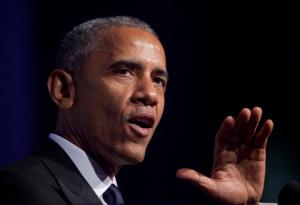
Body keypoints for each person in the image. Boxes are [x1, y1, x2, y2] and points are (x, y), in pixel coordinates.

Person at [0, 16, 274, 205]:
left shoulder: (107, 194)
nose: (150, 94)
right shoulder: (20, 190)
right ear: (64, 90)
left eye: (159, 80)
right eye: (124, 71)